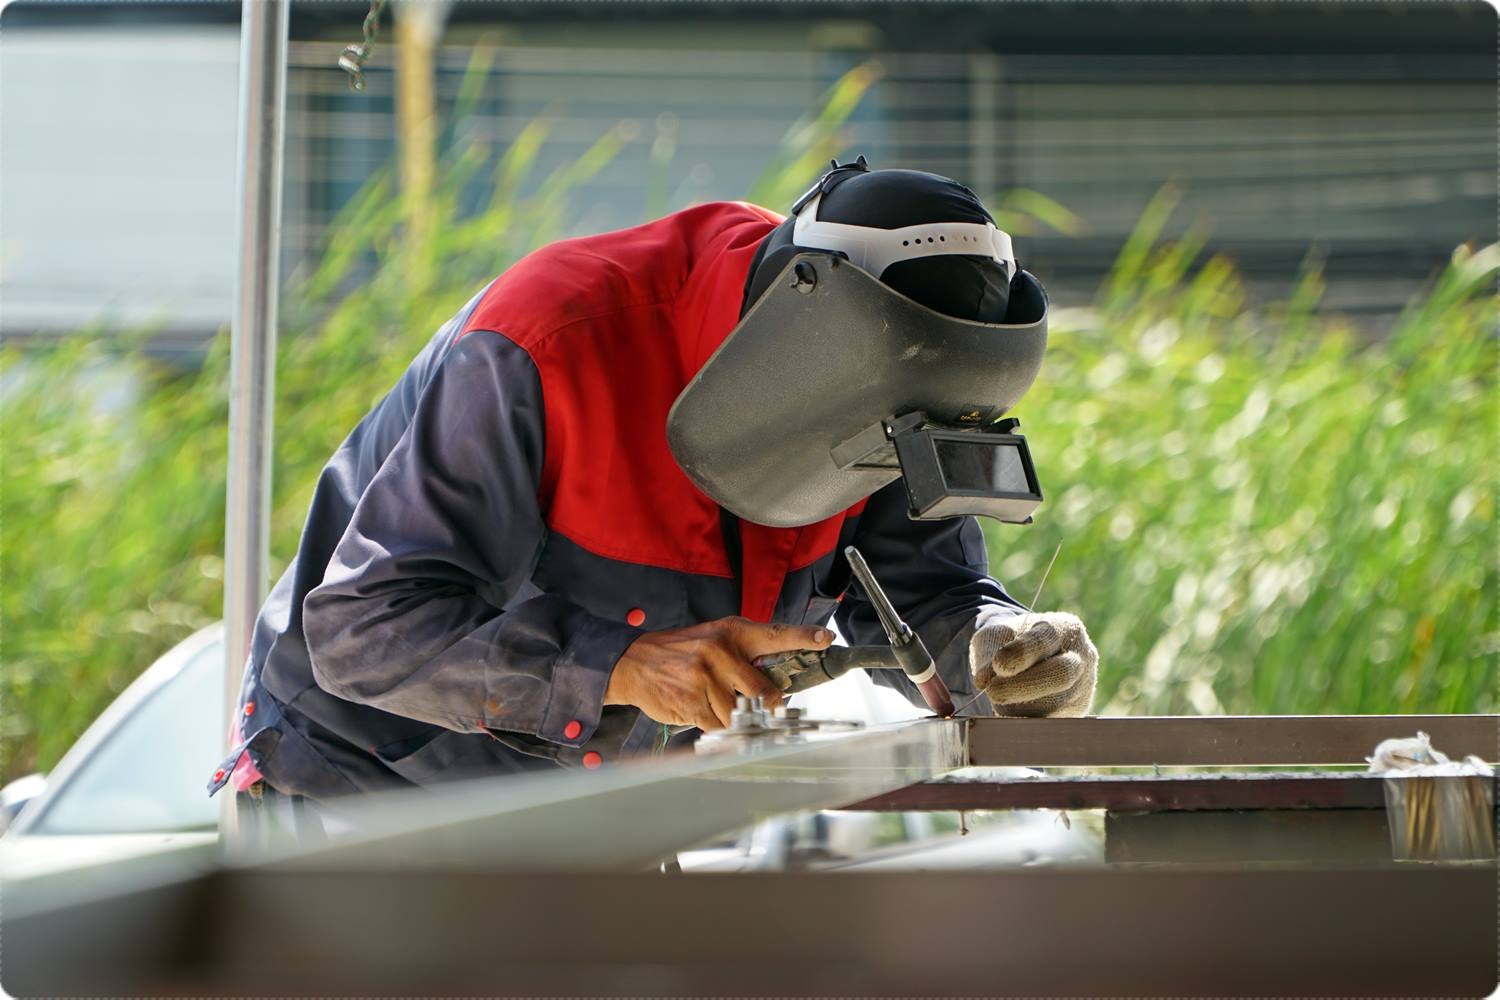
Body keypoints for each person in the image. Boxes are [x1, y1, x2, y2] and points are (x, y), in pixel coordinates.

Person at [208, 158, 1099, 803]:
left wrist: (996, 647)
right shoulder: (549, 343)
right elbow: (364, 631)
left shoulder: (892, 381)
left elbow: (924, 593)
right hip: (364, 788)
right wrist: (624, 666)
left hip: (589, 808)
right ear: (801, 349)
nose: (877, 458)